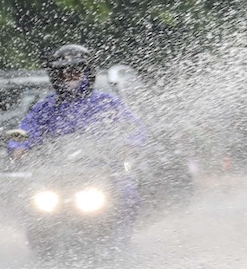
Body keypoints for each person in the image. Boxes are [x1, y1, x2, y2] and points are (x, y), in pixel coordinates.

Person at [8, 44, 148, 236]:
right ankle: (37, 243)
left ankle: (121, 240)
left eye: (74, 72)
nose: (69, 78)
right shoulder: (45, 107)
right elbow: (25, 129)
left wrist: (129, 144)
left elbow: (134, 126)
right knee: (30, 200)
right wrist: (18, 147)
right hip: (55, 173)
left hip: (103, 170)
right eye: (63, 74)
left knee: (127, 192)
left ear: (87, 73)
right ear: (55, 76)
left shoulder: (107, 102)